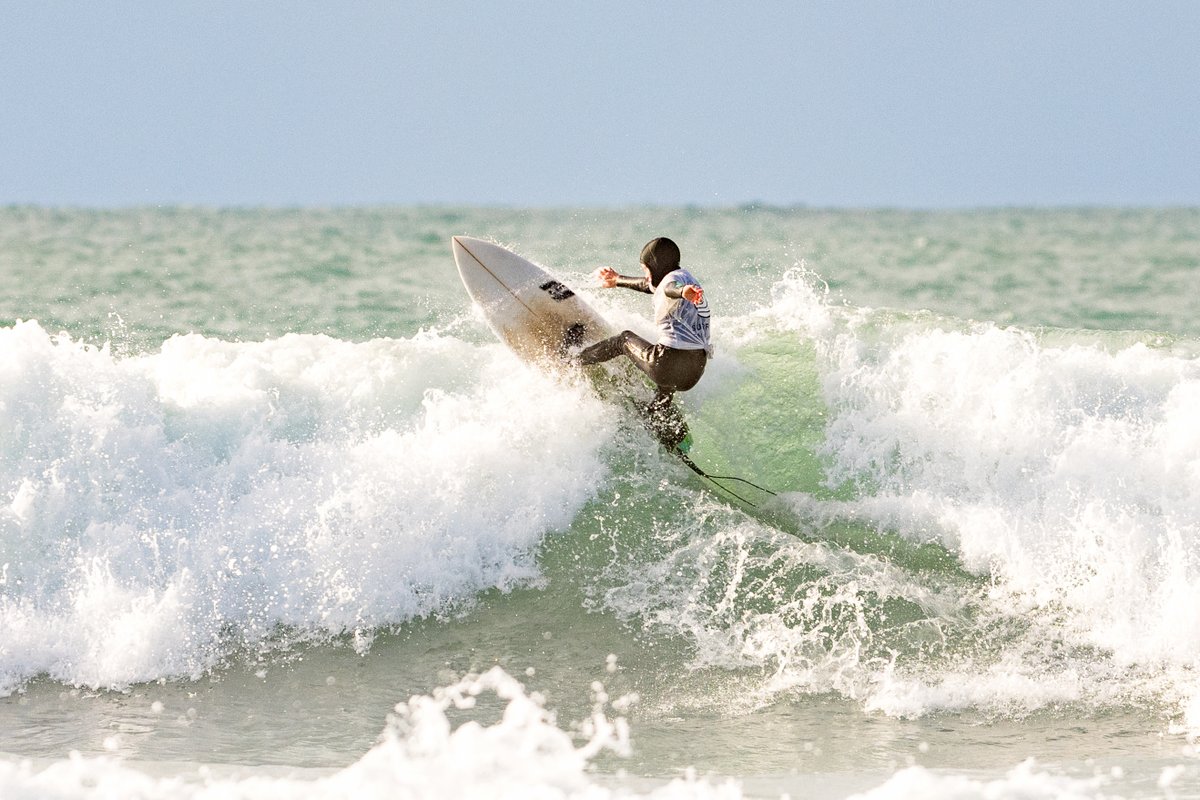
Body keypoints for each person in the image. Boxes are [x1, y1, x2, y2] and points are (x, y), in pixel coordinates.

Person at [573, 237, 712, 422]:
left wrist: (682, 291)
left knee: (623, 339)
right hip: (693, 371)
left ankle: (575, 360)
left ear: (656, 266)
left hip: (667, 362)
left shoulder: (675, 283)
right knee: (665, 389)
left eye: (646, 270)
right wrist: (617, 280)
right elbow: (651, 286)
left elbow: (671, 288)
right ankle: (660, 420)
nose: (646, 275)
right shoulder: (687, 277)